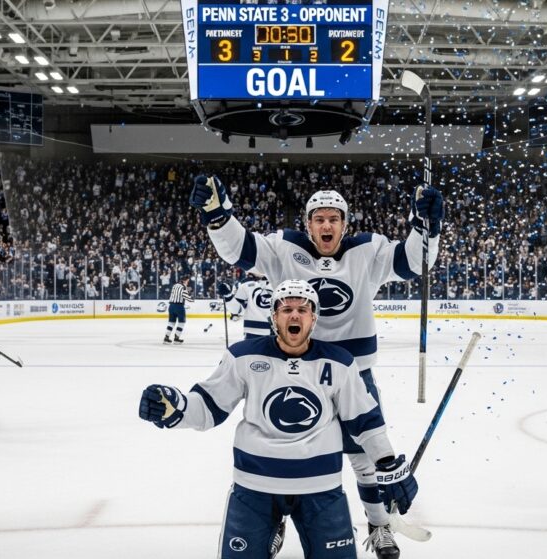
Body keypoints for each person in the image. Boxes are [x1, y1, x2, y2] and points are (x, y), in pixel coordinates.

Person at [190, 176, 443, 559]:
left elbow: (411, 262)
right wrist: (218, 216)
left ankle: (378, 525)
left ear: (345, 223)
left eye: (334, 219)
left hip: (353, 374)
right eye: (319, 219)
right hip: (296, 369)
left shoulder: (367, 251)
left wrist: (425, 227)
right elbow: (240, 250)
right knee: (286, 449)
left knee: (363, 457)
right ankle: (271, 520)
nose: (326, 226)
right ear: (308, 224)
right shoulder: (284, 248)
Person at [139, 280, 418, 559]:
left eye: (302, 309)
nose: (294, 315)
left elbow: (365, 421)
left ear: (314, 317)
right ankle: (271, 531)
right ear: (274, 317)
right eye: (286, 309)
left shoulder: (340, 363)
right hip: (254, 489)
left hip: (321, 490)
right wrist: (178, 407)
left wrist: (387, 462)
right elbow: (209, 406)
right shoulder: (243, 357)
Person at [223, 271, 273, 340]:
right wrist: (228, 296)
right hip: (253, 332)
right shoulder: (246, 284)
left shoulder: (279, 280)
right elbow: (237, 310)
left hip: (280, 332)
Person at [164, 276, 193, 344]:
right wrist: (192, 298)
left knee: (171, 322)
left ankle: (166, 338)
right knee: (182, 322)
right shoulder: (183, 287)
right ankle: (176, 338)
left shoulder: (175, 285)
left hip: (171, 306)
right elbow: (187, 297)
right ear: (184, 281)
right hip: (179, 306)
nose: (188, 283)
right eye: (187, 281)